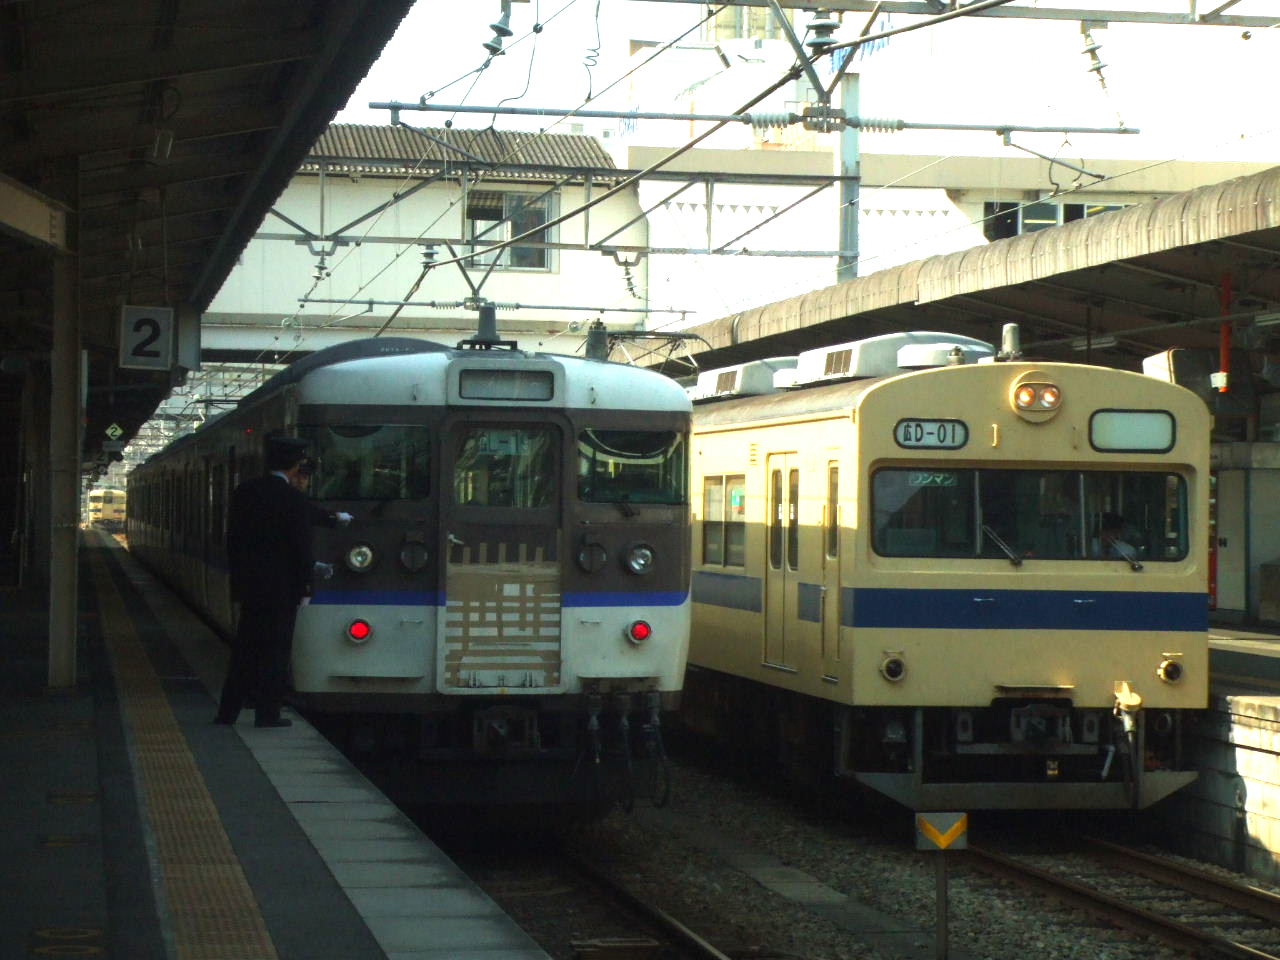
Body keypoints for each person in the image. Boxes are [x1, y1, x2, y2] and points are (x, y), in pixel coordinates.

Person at [214, 436, 316, 728]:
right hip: (282, 591)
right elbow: (301, 548)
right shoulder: (294, 499)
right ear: (294, 465)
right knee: (276, 652)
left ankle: (227, 713)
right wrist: (306, 585)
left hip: (250, 588)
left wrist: (239, 580)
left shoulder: (244, 492)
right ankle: (267, 713)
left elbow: (233, 540)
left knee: (244, 651)